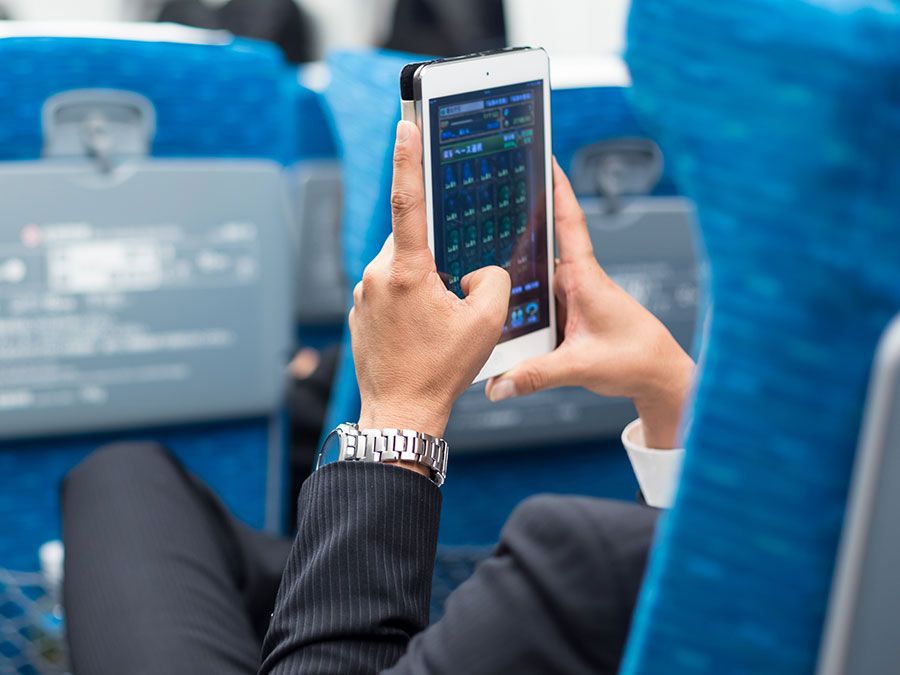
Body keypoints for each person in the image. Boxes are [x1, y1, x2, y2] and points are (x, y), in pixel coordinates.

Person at [61, 121, 695, 674]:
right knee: (126, 477)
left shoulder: (578, 561)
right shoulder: (772, 563)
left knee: (118, 481)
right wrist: (672, 396)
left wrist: (400, 416)